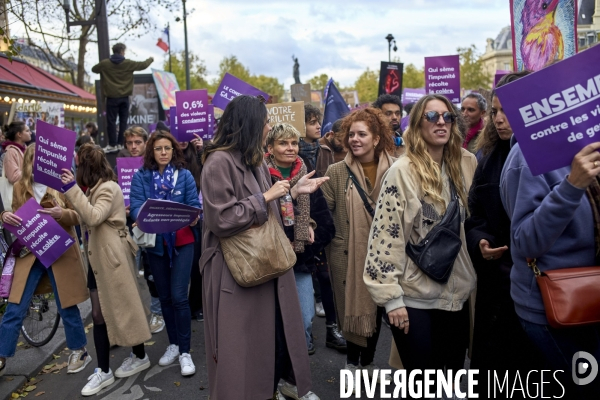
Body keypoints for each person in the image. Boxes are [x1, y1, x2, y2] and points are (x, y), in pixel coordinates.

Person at [201, 95, 325, 399]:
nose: (269, 127)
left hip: (261, 264)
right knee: (238, 351)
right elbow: (222, 219)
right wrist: (266, 197)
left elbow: (268, 210)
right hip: (235, 269)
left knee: (264, 345)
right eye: (265, 121)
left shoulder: (251, 159)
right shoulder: (218, 162)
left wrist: (294, 193)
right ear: (250, 124)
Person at [363, 95, 477, 398]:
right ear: (417, 124)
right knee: (422, 387)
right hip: (414, 299)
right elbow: (385, 237)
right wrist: (391, 300)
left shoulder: (466, 163)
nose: (441, 122)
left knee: (450, 381)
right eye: (432, 116)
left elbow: (471, 225)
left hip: (456, 296)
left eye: (447, 117)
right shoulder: (403, 171)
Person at [500, 105, 600, 398]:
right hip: (555, 306)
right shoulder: (526, 157)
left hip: (593, 298)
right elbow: (525, 241)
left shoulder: (592, 143)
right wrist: (572, 186)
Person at [465, 71, 544, 396]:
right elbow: (475, 215)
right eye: (495, 112)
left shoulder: (554, 156)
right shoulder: (490, 157)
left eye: (507, 112)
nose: (498, 120)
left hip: (541, 285)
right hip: (496, 282)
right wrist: (479, 240)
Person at [60, 144, 151, 396]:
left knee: (126, 306)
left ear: (86, 168)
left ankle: (139, 356)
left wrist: (71, 189)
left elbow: (93, 216)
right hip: (100, 259)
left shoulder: (108, 188)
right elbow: (83, 214)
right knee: (99, 314)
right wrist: (64, 212)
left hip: (111, 258)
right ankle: (104, 370)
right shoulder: (97, 189)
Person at [0, 145, 90, 378]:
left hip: (59, 252)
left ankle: (79, 351)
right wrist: (4, 216)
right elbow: (15, 215)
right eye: (34, 160)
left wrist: (62, 214)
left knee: (66, 304)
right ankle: (1, 356)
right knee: (15, 306)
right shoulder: (21, 186)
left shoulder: (63, 183)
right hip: (31, 253)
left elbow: (81, 215)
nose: (39, 164)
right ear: (29, 162)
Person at [320, 107, 395, 382]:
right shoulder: (336, 171)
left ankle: (369, 362)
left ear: (376, 138)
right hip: (346, 254)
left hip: (387, 255)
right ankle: (354, 363)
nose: (355, 139)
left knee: (377, 308)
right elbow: (323, 214)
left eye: (362, 134)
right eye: (351, 134)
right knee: (351, 308)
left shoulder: (397, 168)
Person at [265, 123, 333, 399]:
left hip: (299, 258)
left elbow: (320, 213)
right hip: (269, 260)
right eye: (283, 143)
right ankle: (279, 382)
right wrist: (290, 196)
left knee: (303, 321)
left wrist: (311, 223)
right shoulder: (260, 175)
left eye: (294, 143)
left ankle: (294, 381)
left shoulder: (307, 171)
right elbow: (262, 215)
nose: (291, 148)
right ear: (270, 148)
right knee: (274, 327)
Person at [130, 131, 200, 377]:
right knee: (166, 297)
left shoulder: (185, 175)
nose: (163, 152)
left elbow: (194, 204)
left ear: (174, 151)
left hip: (182, 243)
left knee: (180, 297)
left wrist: (194, 216)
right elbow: (136, 204)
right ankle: (173, 344)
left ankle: (185, 352)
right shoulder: (141, 176)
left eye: (167, 148)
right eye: (158, 148)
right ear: (152, 151)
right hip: (155, 245)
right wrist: (140, 217)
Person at [92, 43, 153, 153]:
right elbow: (143, 65)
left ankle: (112, 144)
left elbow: (94, 69)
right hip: (124, 97)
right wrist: (151, 59)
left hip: (111, 98)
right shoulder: (128, 63)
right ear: (122, 51)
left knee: (111, 121)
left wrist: (104, 69)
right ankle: (121, 144)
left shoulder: (106, 64)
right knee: (123, 122)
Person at [298, 104, 334, 178]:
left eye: (318, 122)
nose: (319, 126)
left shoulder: (326, 152)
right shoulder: (292, 154)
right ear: (301, 126)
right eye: (312, 123)